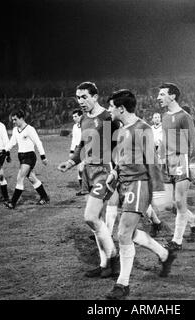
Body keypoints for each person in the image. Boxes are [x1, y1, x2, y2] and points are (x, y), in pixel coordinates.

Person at [105, 89, 177, 300]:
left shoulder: (142, 128)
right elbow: (124, 157)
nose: (109, 110)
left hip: (139, 184)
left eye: (111, 106)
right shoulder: (122, 129)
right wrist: (115, 173)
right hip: (125, 184)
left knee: (123, 233)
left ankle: (123, 284)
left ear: (121, 108)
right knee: (130, 232)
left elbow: (152, 163)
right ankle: (164, 254)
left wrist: (159, 192)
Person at [58, 82, 120, 278]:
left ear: (95, 96)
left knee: (90, 217)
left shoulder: (108, 117)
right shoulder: (84, 119)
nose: (81, 101)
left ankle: (114, 258)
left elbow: (121, 145)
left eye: (84, 97)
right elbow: (81, 145)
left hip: (104, 171)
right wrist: (70, 162)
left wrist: (118, 170)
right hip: (88, 173)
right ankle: (104, 265)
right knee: (96, 222)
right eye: (78, 97)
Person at [157, 83, 195, 248]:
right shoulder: (165, 116)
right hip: (167, 161)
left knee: (179, 201)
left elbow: (193, 141)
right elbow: (164, 139)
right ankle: (194, 220)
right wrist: (160, 157)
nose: (158, 97)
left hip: (181, 160)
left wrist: (193, 165)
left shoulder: (184, 116)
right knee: (169, 204)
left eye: (162, 94)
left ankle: (177, 240)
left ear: (172, 96)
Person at [2, 110, 50, 209]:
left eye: (15, 119)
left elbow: (38, 143)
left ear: (21, 118)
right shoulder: (16, 130)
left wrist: (43, 156)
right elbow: (12, 142)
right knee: (32, 178)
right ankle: (45, 197)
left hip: (29, 157)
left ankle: (12, 203)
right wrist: (4, 150)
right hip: (21, 157)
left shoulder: (30, 129)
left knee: (20, 178)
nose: (13, 122)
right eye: (12, 120)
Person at [70, 109, 86, 196]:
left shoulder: (86, 125)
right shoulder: (75, 126)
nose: (74, 118)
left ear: (80, 116)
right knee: (79, 170)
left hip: (86, 148)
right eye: (73, 117)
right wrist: (71, 151)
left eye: (75, 116)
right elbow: (74, 140)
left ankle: (88, 187)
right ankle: (83, 189)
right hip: (77, 149)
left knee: (82, 169)